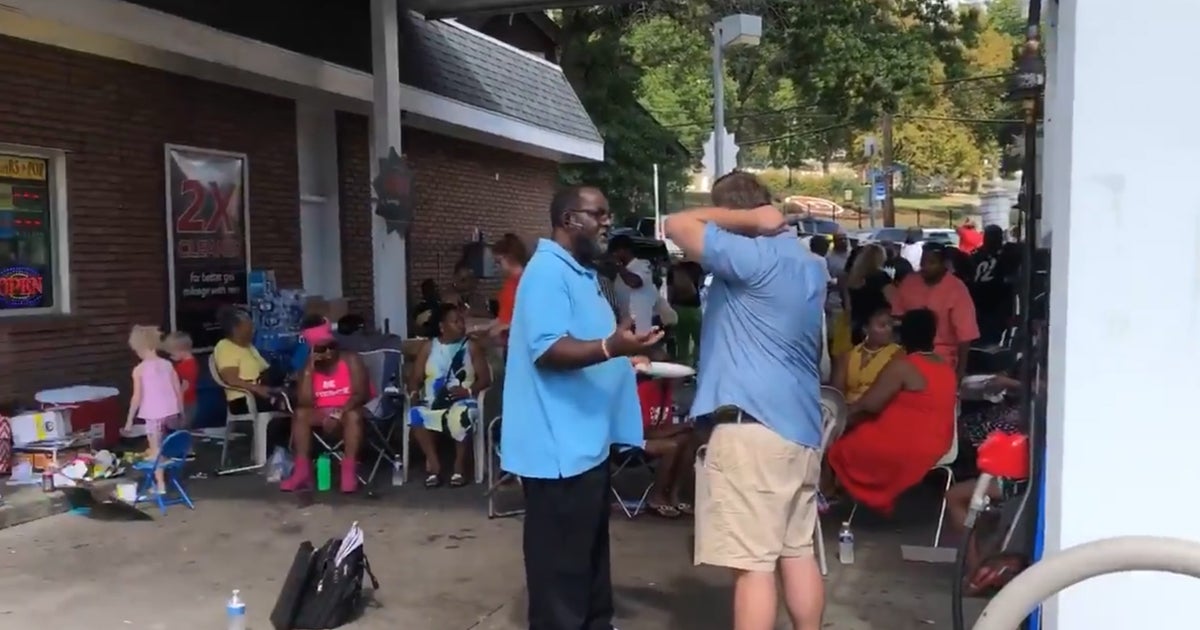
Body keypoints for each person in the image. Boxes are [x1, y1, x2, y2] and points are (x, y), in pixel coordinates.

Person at [664, 171, 826, 630]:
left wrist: (745, 220)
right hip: (799, 428)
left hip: (751, 428)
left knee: (752, 567)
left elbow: (677, 224)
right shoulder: (808, 264)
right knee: (796, 551)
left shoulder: (751, 257)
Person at [502, 186, 662, 630]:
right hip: (556, 452)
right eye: (599, 214)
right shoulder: (546, 273)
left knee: (588, 569)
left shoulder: (581, 272)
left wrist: (625, 355)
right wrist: (612, 345)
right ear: (570, 219)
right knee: (561, 580)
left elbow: (591, 345)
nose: (608, 222)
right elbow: (549, 350)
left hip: (585, 443)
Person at [825, 308, 957, 513]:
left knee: (835, 446)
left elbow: (870, 405)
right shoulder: (945, 367)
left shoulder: (904, 366)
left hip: (909, 444)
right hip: (940, 443)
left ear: (904, 336)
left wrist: (836, 419)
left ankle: (827, 498)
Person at [280, 316, 371, 494]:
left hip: (348, 408)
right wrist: (308, 372)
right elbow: (305, 402)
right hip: (321, 411)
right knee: (300, 414)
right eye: (322, 348)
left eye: (332, 346)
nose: (329, 352)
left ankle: (348, 472)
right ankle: (301, 472)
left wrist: (338, 412)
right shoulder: (309, 366)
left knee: (353, 416)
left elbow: (361, 394)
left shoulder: (350, 359)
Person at [407, 305, 491, 488]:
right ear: (442, 326)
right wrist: (414, 393)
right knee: (416, 413)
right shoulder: (428, 347)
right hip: (433, 400)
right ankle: (433, 465)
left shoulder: (471, 347)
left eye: (462, 321)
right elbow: (415, 378)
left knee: (460, 415)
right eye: (455, 322)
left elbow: (485, 378)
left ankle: (459, 466)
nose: (461, 325)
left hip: (463, 400)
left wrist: (468, 391)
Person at [891, 245, 980, 379]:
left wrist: (960, 373)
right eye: (923, 262)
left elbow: (965, 336)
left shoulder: (957, 289)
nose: (925, 267)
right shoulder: (909, 282)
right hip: (907, 352)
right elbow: (896, 318)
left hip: (942, 355)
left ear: (944, 264)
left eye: (931, 262)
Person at [124, 325, 184, 496]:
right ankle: (166, 475)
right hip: (170, 412)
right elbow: (177, 390)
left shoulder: (139, 370)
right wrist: (181, 411)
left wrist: (129, 420)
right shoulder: (167, 365)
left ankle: (160, 485)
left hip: (152, 414)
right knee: (165, 445)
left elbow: (137, 397)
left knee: (155, 449)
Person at [635, 375, 697, 518]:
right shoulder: (643, 390)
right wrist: (681, 426)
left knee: (687, 440)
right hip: (632, 441)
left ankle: (674, 494)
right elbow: (644, 432)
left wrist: (683, 428)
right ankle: (656, 497)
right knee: (672, 446)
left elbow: (664, 426)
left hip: (651, 437)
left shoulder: (666, 391)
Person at [831, 305, 902, 404]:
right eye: (882, 325)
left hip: (877, 410)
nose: (888, 329)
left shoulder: (897, 354)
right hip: (845, 410)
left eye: (890, 325)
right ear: (866, 329)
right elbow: (837, 391)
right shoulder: (849, 354)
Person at [967, 225, 1016, 345]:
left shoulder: (1007, 255)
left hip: (1000, 303)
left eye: (995, 237)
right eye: (989, 237)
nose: (992, 240)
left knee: (996, 336)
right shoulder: (976, 256)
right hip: (978, 302)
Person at [844, 243, 896, 345]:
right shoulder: (880, 277)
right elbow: (894, 299)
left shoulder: (854, 278)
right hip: (878, 326)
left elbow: (848, 305)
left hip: (858, 325)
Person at [607, 234, 658, 333]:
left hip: (642, 323)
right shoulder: (621, 272)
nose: (614, 255)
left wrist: (618, 265)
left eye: (616, 252)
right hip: (626, 323)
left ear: (625, 250)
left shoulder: (642, 265)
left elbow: (634, 282)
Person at [490, 232, 529, 340]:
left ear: (509, 258)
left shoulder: (528, 282)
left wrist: (505, 327)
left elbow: (530, 319)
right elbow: (504, 317)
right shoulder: (509, 282)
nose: (497, 267)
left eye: (498, 262)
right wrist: (480, 327)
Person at [668, 260, 703, 366]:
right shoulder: (696, 267)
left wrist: (669, 308)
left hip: (677, 309)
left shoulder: (673, 269)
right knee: (699, 341)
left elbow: (670, 291)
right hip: (694, 308)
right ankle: (696, 365)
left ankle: (683, 368)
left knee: (682, 342)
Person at [162, 331, 198, 429]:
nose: (170, 357)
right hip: (188, 402)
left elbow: (185, 387)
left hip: (185, 404)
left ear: (181, 350)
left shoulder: (186, 367)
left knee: (177, 428)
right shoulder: (190, 363)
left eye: (172, 354)